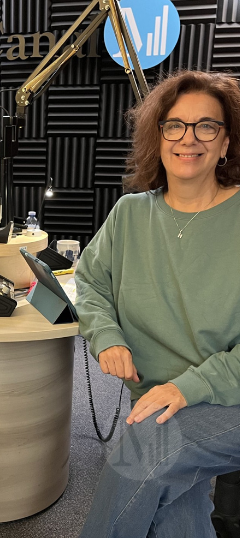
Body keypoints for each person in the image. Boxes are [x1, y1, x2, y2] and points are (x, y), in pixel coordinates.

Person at [76, 70, 240, 537]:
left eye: (207, 126)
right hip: (157, 399)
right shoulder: (130, 214)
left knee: (141, 456)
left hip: (227, 398)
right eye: (175, 125)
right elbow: (89, 281)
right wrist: (106, 335)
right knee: (175, 513)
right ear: (158, 136)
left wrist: (188, 387)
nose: (189, 138)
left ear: (226, 142)